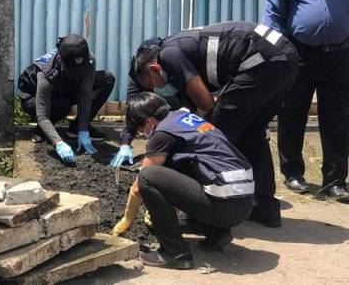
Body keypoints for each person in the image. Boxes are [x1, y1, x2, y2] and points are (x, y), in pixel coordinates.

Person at [126, 22, 299, 227]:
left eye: (150, 84)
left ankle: (204, 213)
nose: (155, 90)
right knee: (252, 133)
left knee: (210, 134)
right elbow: (192, 107)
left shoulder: (168, 55)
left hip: (261, 59)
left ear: (154, 69)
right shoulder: (179, 51)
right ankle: (265, 208)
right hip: (283, 57)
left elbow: (206, 104)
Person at [112, 93, 254, 269]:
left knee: (148, 177)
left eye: (140, 129)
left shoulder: (162, 134)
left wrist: (126, 219)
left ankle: (175, 253)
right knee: (175, 164)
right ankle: (215, 232)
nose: (142, 134)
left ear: (148, 121)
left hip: (225, 205)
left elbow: (139, 185)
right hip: (243, 202)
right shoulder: (183, 118)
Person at [263, 0, 349, 202]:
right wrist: (274, 56)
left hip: (340, 55)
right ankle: (293, 172)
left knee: (337, 118)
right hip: (299, 54)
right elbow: (272, 17)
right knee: (292, 113)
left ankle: (335, 180)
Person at [18, 34, 115, 165]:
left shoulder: (88, 59)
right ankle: (43, 130)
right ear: (63, 62)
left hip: (64, 87)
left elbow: (85, 94)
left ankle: (75, 129)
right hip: (34, 97)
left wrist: (83, 129)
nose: (79, 72)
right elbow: (42, 115)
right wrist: (58, 142)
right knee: (62, 105)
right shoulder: (47, 71)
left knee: (107, 78)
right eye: (74, 70)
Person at [110, 38, 191, 168]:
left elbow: (190, 106)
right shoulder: (139, 73)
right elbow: (132, 109)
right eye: (147, 83)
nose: (152, 85)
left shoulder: (174, 64)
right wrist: (125, 143)